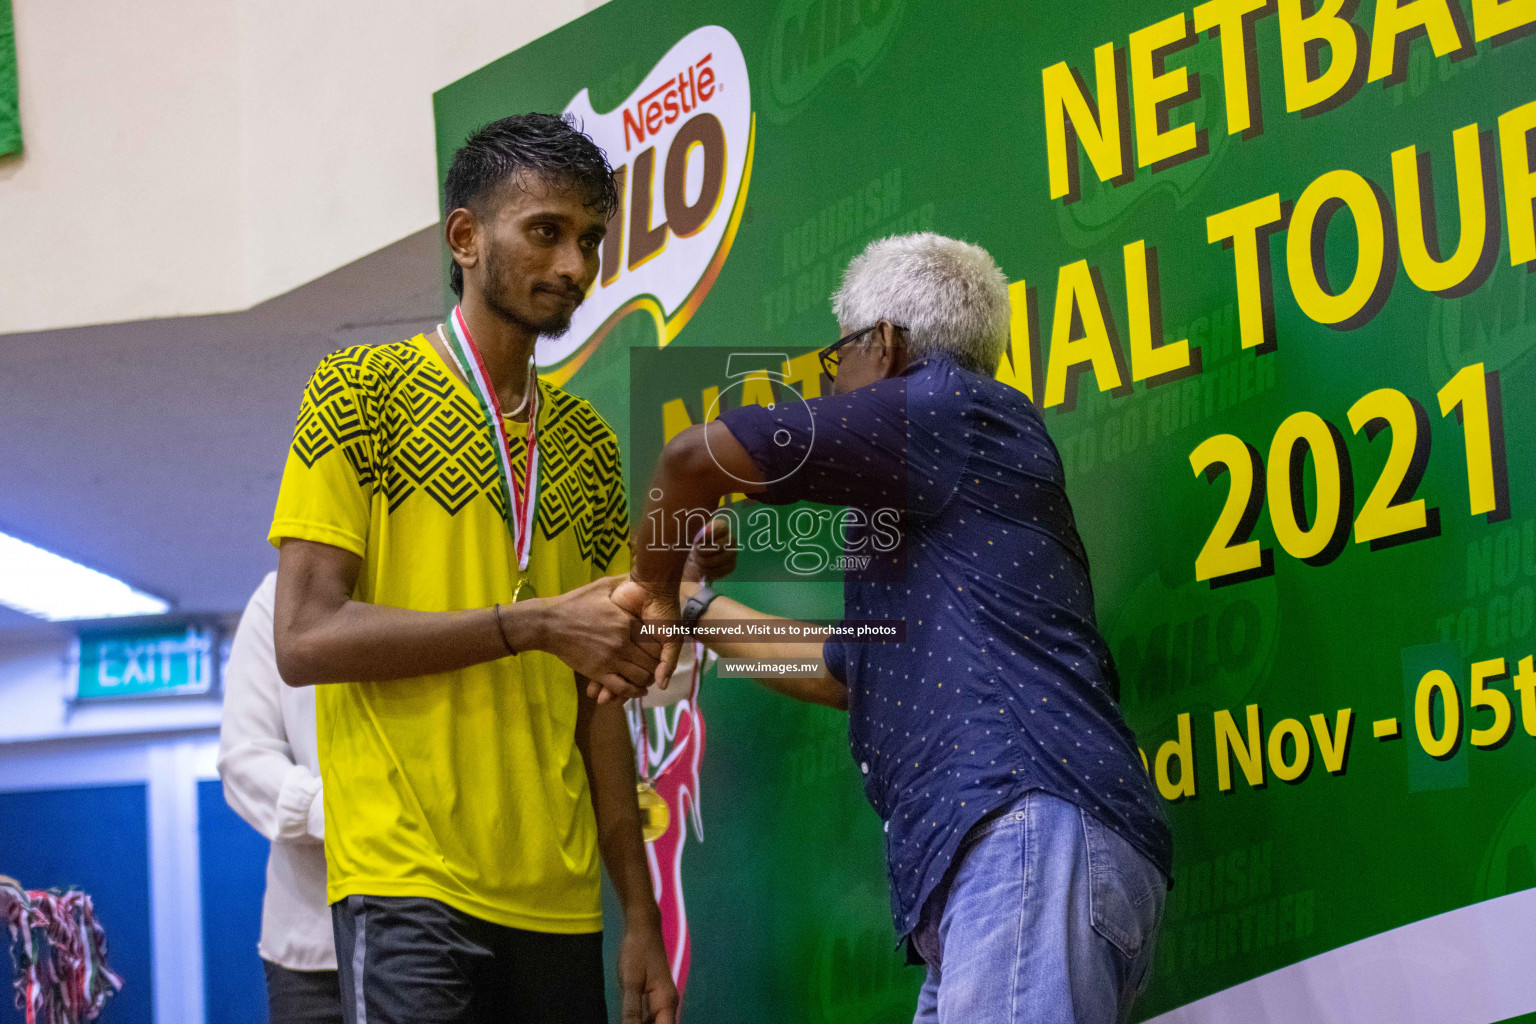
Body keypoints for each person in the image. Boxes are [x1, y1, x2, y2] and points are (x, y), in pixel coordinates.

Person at [617, 233, 1172, 1024]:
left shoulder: (950, 407)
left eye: (835, 359)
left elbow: (690, 461)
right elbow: (845, 672)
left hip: (1022, 836)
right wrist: (698, 607)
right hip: (1008, 861)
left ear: (882, 344)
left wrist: (654, 593)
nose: (833, 382)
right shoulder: (951, 478)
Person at [269, 113, 675, 1024]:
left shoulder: (587, 444)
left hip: (560, 897)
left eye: (590, 240)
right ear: (466, 238)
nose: (574, 264)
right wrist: (527, 624)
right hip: (406, 878)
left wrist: (640, 915)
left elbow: (600, 695)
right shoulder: (357, 391)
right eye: (546, 232)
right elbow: (305, 637)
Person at [218, 572, 341, 1024]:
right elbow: (243, 759)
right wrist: (343, 814)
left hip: (460, 919)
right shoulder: (278, 596)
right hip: (314, 951)